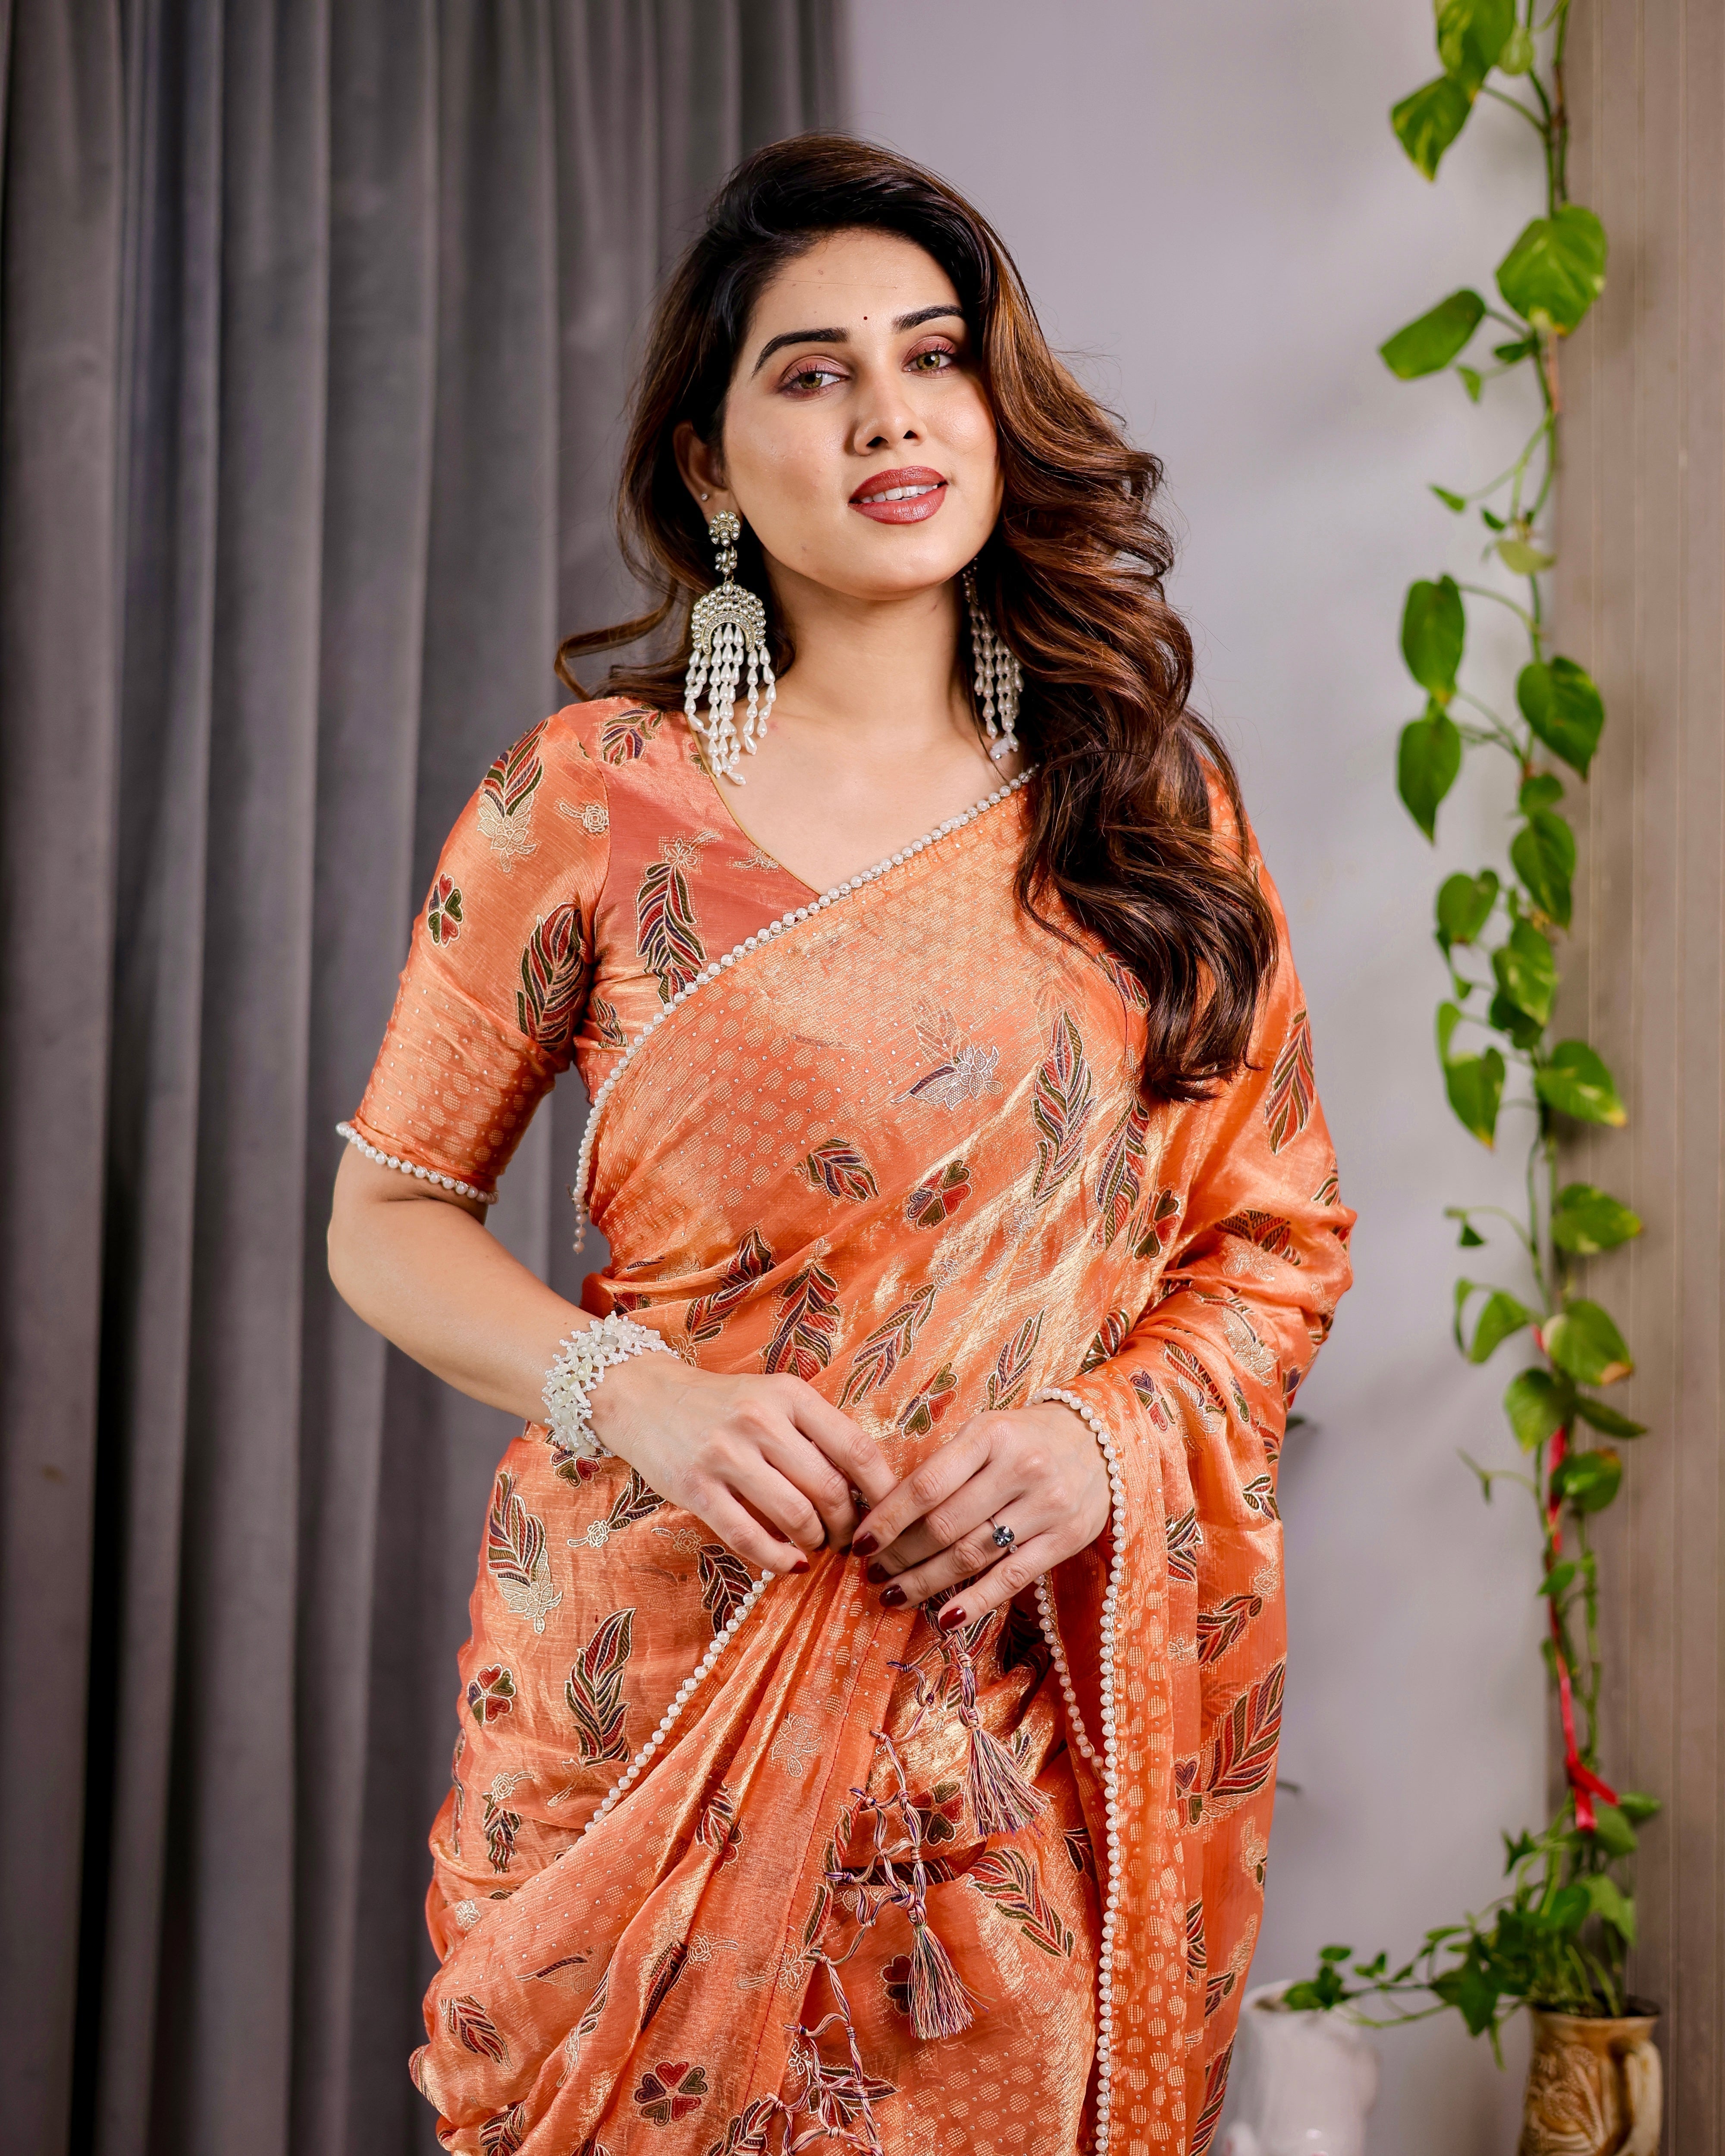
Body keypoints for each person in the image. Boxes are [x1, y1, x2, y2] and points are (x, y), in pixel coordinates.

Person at [327, 134, 1353, 2156]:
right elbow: (388, 1213)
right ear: (709, 467)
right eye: (812, 372)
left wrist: (1092, 1444)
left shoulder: (1140, 816)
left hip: (993, 1731)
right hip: (638, 1699)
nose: (890, 410)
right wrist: (637, 1390)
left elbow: (1274, 1244)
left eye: (933, 354)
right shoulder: (591, 797)